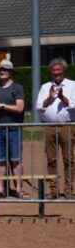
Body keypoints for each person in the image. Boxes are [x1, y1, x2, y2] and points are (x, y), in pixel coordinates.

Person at [36, 58, 75, 199]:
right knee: (51, 159)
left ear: (63, 71)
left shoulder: (72, 85)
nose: (56, 72)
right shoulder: (45, 86)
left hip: (67, 126)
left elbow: (73, 105)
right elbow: (40, 107)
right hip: (49, 127)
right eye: (53, 70)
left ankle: (69, 190)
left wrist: (62, 97)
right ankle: (53, 190)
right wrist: (50, 98)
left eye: (58, 70)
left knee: (68, 159)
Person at [0, 59, 25, 198]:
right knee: (0, 160)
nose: (1, 71)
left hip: (14, 129)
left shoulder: (17, 88)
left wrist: (1, 105)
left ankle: (19, 189)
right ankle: (0, 189)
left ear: (11, 72)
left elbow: (20, 108)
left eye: (4, 69)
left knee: (16, 159)